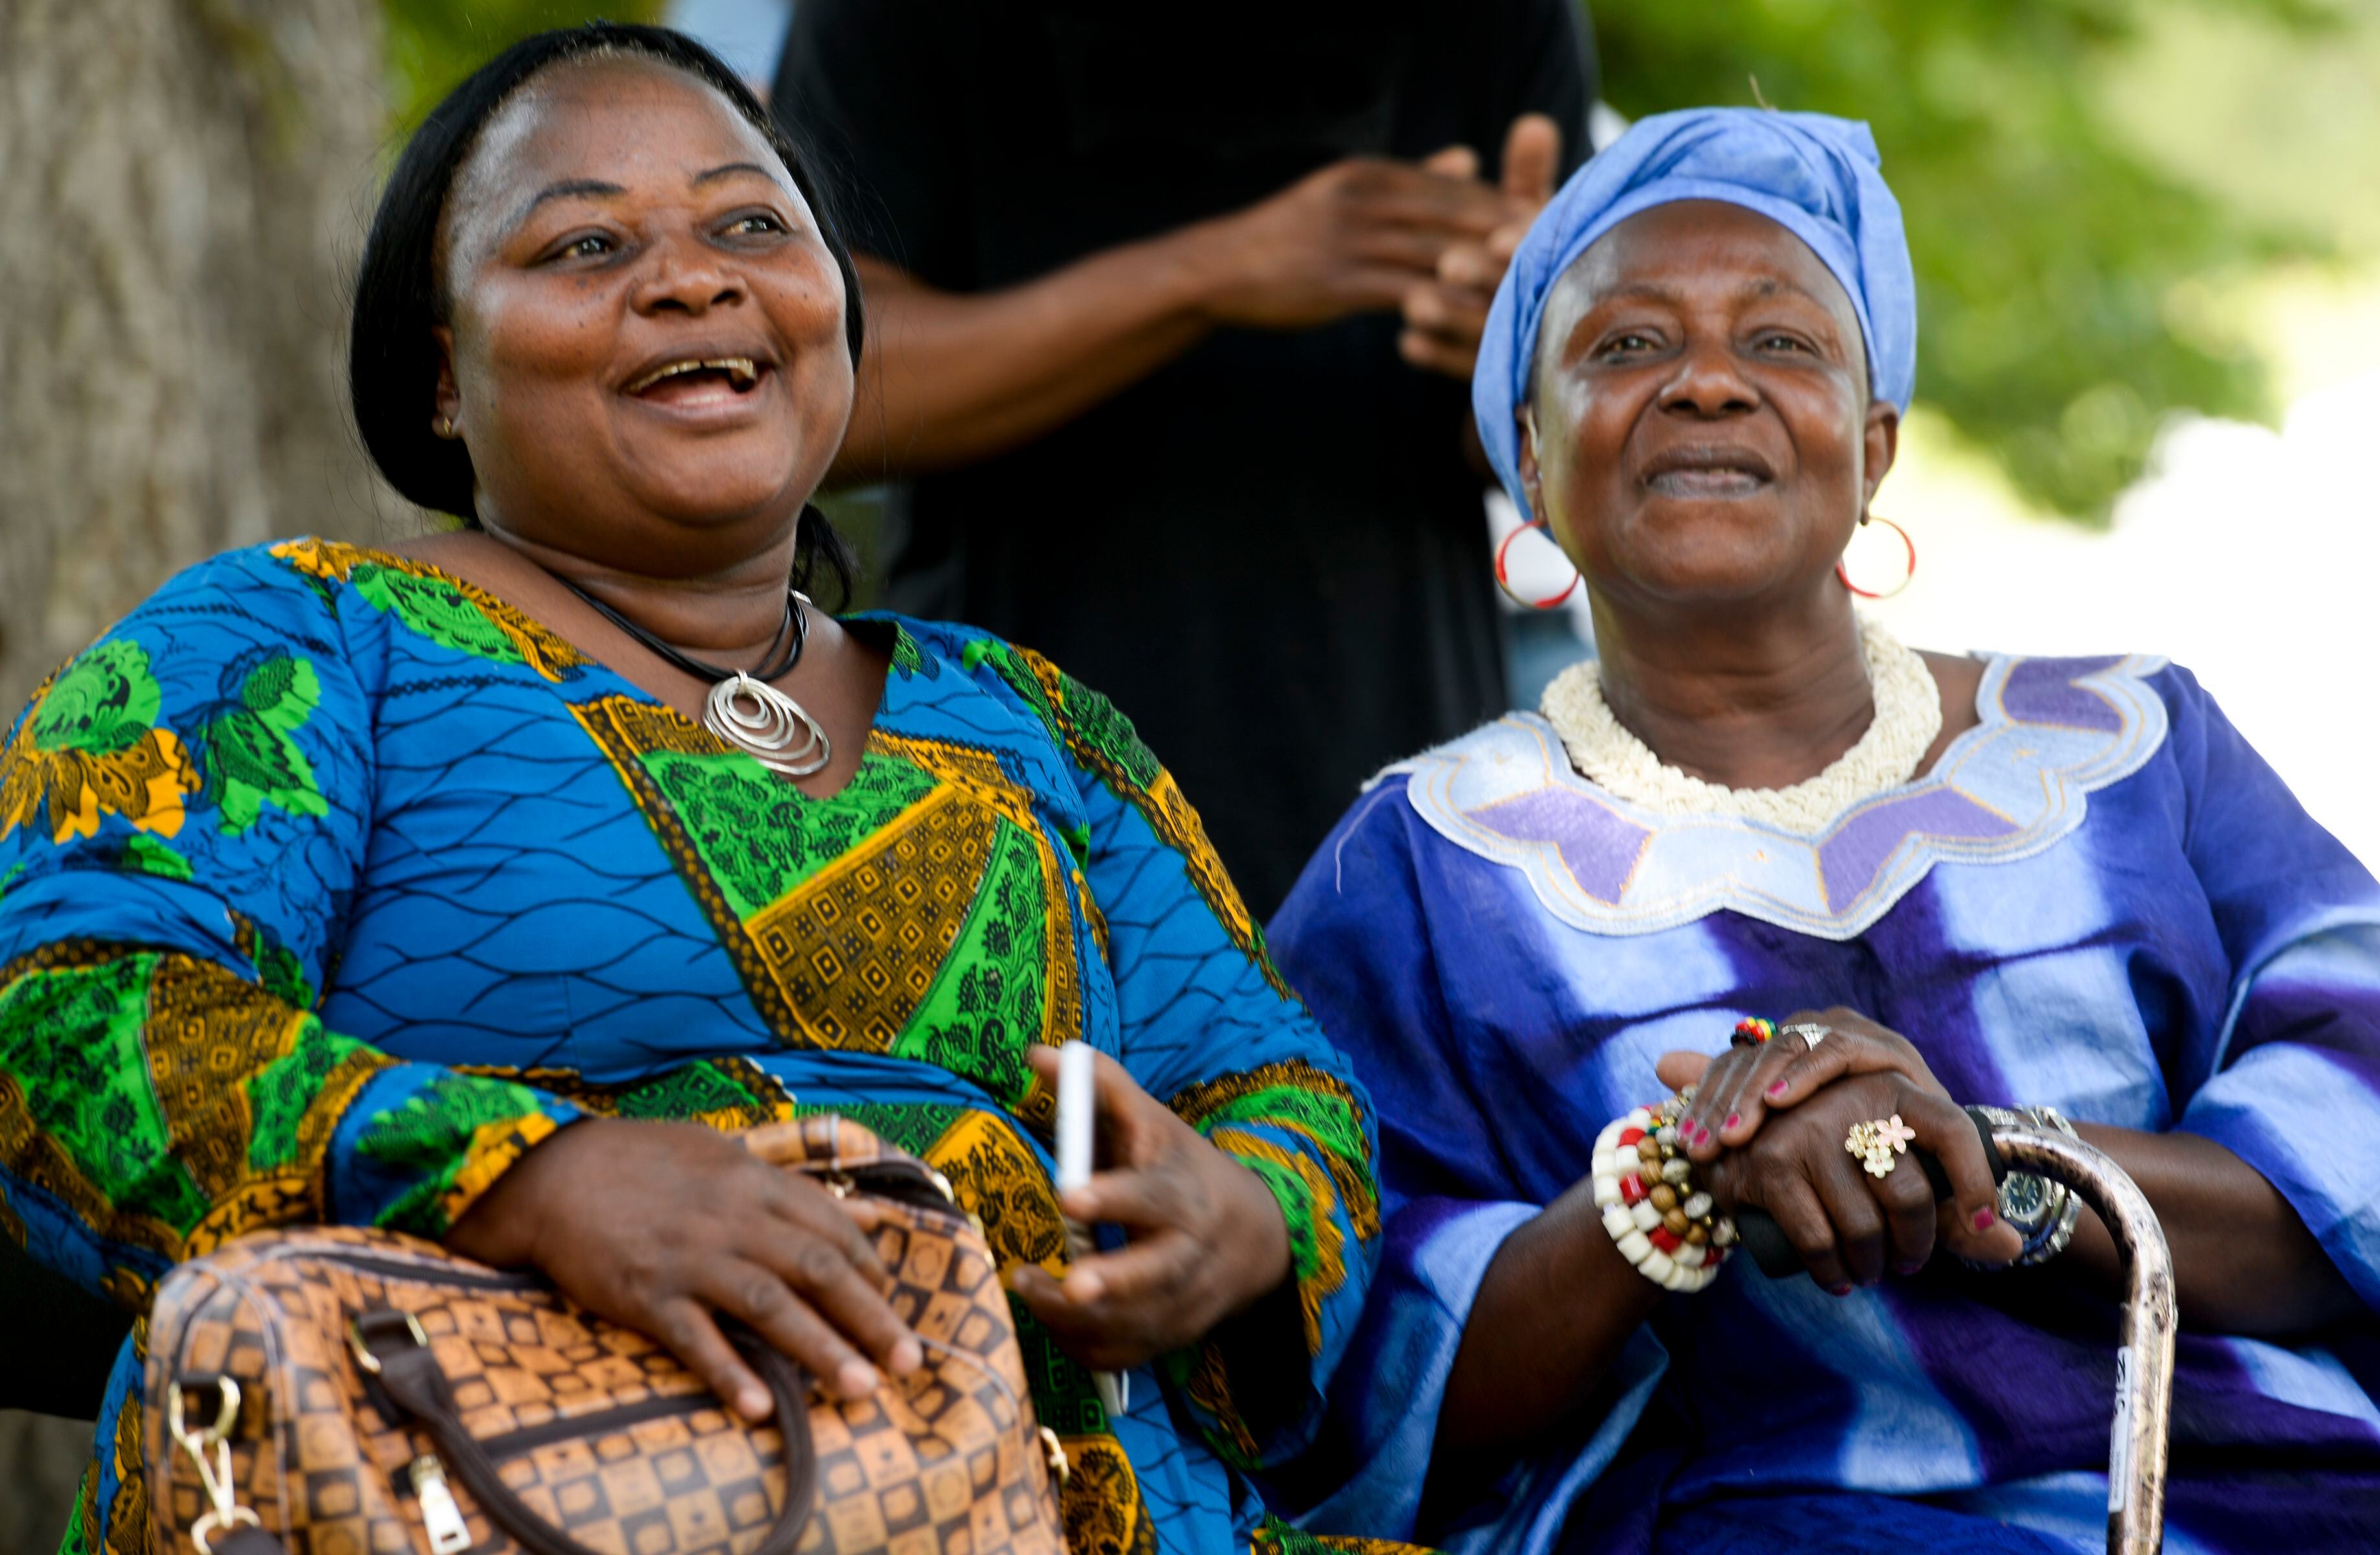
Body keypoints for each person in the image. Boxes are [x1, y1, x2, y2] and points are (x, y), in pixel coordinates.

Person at [0, 27, 1395, 1555]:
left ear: (835, 317)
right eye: (585, 242)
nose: (691, 278)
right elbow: (63, 1003)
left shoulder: (1030, 719)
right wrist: (522, 1182)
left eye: (752, 225)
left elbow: (1280, 1087)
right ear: (442, 376)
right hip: (500, 1489)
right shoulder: (297, 646)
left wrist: (1242, 1223)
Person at [1268, 108, 2380, 1554]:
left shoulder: (2132, 748)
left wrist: (1976, 1162)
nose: (1708, 384)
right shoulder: (1421, 864)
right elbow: (1336, 1375)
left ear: (1873, 447)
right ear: (1531, 463)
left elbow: (2351, 1144)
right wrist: (1674, 1178)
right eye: (1625, 346)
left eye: (1782, 343)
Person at [770, 1, 1597, 916]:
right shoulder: (890, 23)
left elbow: (1553, 456)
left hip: (1394, 815)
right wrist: (1213, 274)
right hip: (1022, 808)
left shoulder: (1498, 22)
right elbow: (813, 402)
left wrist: (1520, 360)